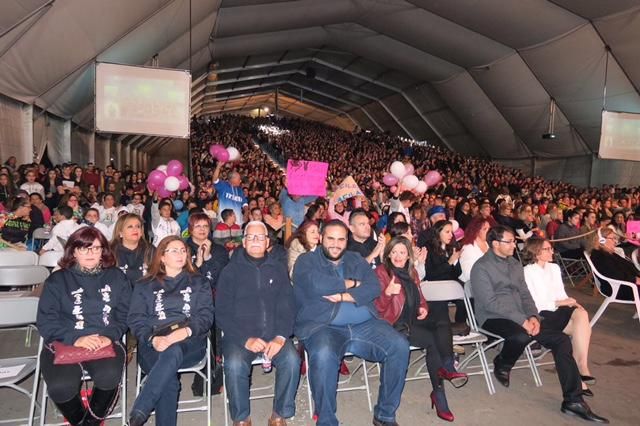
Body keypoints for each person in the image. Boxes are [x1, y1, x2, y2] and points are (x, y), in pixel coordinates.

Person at [470, 225, 608, 423]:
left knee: (561, 340)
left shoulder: (514, 264)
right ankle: (503, 362)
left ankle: (573, 401)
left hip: (521, 316)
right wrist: (522, 320)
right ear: (495, 244)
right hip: (493, 317)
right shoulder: (481, 267)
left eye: (512, 241)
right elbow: (490, 303)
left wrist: (533, 316)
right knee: (521, 335)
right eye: (508, 242)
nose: (513, 244)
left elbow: (525, 294)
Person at [293, 220, 410, 426]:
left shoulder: (355, 259)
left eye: (341, 239)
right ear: (320, 238)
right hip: (323, 326)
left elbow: (373, 287)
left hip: (365, 325)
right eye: (330, 238)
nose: (336, 244)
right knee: (322, 355)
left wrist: (343, 296)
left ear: (347, 241)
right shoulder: (306, 260)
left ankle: (385, 414)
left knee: (399, 346)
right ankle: (327, 420)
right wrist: (354, 284)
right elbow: (317, 285)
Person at [36, 227, 130, 425]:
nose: (90, 253)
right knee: (61, 386)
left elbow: (125, 315)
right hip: (65, 340)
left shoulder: (116, 277)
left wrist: (109, 335)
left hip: (103, 339)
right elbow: (46, 321)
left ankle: (90, 422)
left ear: (103, 251)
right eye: (84, 248)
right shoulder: (58, 280)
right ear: (73, 251)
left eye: (96, 248)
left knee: (109, 375)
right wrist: (76, 339)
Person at [375, 237, 467, 422]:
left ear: (408, 255)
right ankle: (439, 394)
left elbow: (420, 297)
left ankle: (447, 365)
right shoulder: (381, 272)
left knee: (441, 318)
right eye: (393, 252)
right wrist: (387, 294)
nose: (398, 256)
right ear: (388, 254)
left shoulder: (413, 272)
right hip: (395, 325)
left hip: (413, 319)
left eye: (402, 252)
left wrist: (423, 307)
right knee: (433, 341)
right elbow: (376, 309)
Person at [217, 221, 300, 426]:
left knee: (291, 360)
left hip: (273, 334)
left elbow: (287, 306)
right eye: (251, 237)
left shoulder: (278, 269)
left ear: (267, 242)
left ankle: (278, 414)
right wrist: (245, 339)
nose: (255, 241)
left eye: (260, 237)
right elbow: (222, 313)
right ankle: (241, 418)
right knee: (235, 365)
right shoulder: (230, 272)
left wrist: (281, 337)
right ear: (243, 242)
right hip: (240, 337)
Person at [127, 236, 214, 426]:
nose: (180, 254)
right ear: (162, 257)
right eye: (174, 250)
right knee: (168, 379)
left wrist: (183, 333)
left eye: (183, 250)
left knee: (173, 350)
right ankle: (140, 413)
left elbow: (206, 316)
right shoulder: (145, 285)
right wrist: (152, 339)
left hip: (190, 340)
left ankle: (140, 410)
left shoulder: (199, 282)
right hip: (153, 342)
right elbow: (136, 319)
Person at [522, 238, 596, 396]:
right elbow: (537, 303)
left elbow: (561, 292)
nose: (552, 252)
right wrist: (563, 302)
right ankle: (579, 373)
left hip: (558, 309)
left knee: (581, 313)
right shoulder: (528, 271)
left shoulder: (554, 268)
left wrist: (570, 303)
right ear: (536, 252)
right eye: (547, 249)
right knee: (581, 327)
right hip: (541, 315)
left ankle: (581, 367)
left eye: (551, 248)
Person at [589, 227, 640, 301]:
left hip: (626, 284)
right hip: (618, 287)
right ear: (602, 240)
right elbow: (614, 274)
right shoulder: (599, 256)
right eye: (612, 238)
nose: (615, 241)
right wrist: (634, 279)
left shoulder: (609, 253)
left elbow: (626, 267)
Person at [185, 213, 229, 289]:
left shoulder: (220, 250)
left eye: (205, 226)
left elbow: (223, 277)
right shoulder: (183, 250)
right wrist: (197, 264)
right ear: (190, 229)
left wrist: (208, 258)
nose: (202, 229)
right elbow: (181, 279)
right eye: (197, 226)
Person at [111, 213, 153, 283]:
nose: (135, 229)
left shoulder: (150, 250)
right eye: (130, 227)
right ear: (120, 232)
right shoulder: (111, 251)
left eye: (138, 226)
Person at [459, 217, 491, 283]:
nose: (488, 232)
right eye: (485, 229)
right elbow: (469, 274)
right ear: (476, 231)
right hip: (474, 283)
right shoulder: (468, 248)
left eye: (489, 229)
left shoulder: (489, 244)